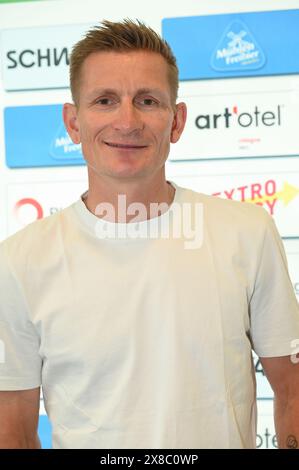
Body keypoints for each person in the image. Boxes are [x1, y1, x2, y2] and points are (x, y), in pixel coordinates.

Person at [0, 19, 299, 450]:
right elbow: (12, 424)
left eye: (147, 100)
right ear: (73, 122)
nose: (127, 120)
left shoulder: (247, 234)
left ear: (176, 121)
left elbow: (291, 386)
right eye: (105, 100)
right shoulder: (19, 261)